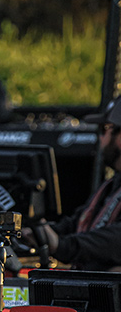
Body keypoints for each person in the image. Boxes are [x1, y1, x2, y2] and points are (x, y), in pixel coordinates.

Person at [23, 96, 121, 271]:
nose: (100, 138)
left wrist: (63, 246)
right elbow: (76, 224)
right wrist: (37, 231)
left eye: (104, 129)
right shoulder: (112, 186)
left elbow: (116, 240)